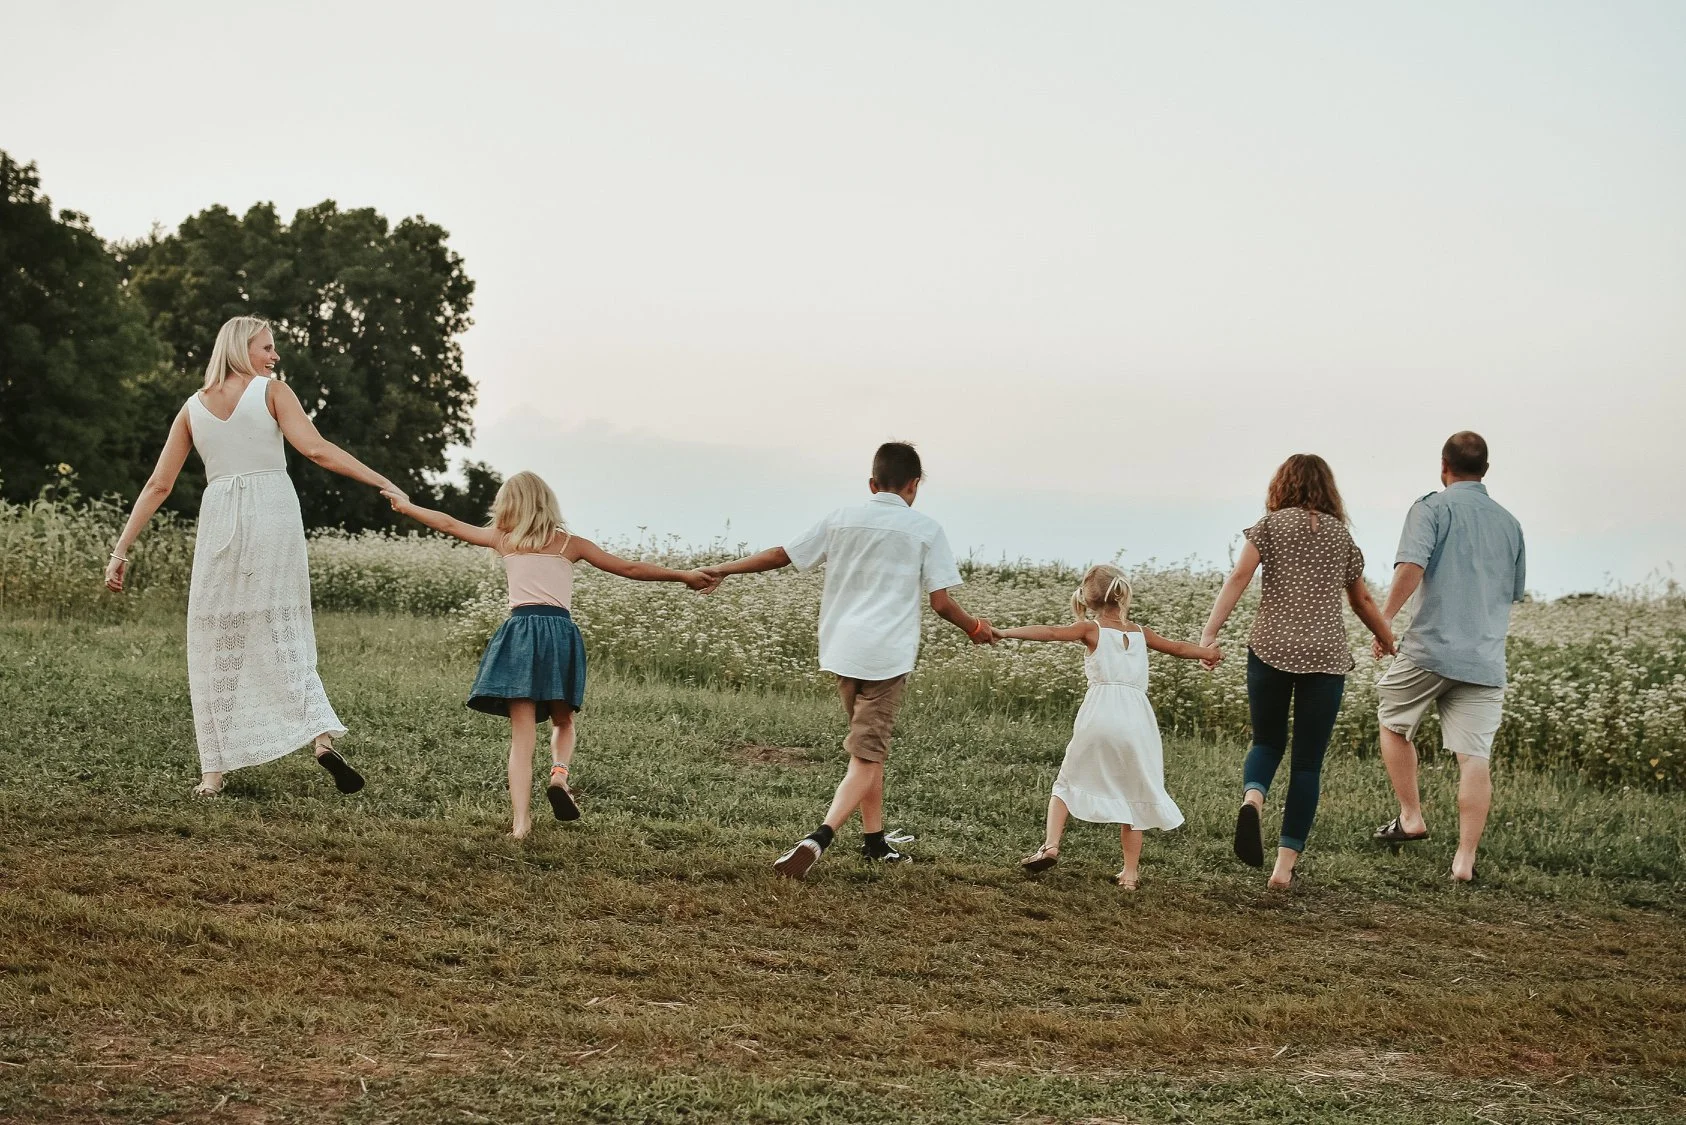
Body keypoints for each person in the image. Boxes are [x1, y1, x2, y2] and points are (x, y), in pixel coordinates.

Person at [105, 316, 403, 797]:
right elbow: (318, 450)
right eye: (267, 347)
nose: (274, 355)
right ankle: (321, 740)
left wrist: (121, 550)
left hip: (220, 514)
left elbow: (158, 485)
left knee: (215, 634)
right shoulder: (272, 391)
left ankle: (213, 774)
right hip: (271, 511)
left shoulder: (191, 408)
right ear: (241, 348)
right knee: (285, 623)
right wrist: (382, 480)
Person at [700, 442, 994, 878]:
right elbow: (941, 603)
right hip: (887, 657)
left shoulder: (840, 518)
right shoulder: (926, 529)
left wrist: (724, 568)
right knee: (867, 756)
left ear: (872, 483)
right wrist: (974, 628)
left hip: (841, 651)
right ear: (914, 486)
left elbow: (782, 555)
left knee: (866, 752)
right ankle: (817, 839)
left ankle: (874, 842)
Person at [383, 471, 717, 838]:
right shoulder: (570, 545)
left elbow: (447, 523)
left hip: (520, 633)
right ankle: (559, 774)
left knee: (521, 736)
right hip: (559, 635)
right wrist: (683, 575)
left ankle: (521, 824)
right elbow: (629, 569)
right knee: (563, 721)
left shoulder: (505, 540)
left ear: (510, 505)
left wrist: (407, 506)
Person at [1200, 454, 1395, 888]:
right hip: (1325, 655)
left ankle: (1253, 798)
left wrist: (1209, 634)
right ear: (1328, 489)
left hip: (1270, 645)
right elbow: (1361, 601)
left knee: (1267, 741)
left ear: (1282, 485)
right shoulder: (1341, 536)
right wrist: (1386, 636)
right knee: (1307, 763)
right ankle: (1283, 870)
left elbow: (1238, 578)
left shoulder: (1269, 526)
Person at [1002, 565, 1219, 890]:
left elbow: (1049, 632)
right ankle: (1130, 875)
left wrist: (1004, 633)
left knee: (1065, 782)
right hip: (1137, 720)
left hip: (1100, 714)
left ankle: (1050, 846)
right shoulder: (1140, 632)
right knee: (1135, 791)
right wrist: (1208, 652)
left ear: (1089, 600)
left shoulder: (1090, 629)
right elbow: (1178, 648)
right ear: (1121, 594)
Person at [1370, 432, 1526, 882]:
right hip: (1484, 659)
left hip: (1430, 649)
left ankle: (1411, 816)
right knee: (1474, 756)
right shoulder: (1510, 523)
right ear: (1486, 469)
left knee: (1393, 721)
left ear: (1444, 465)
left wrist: (1384, 623)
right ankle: (1464, 861)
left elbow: (1410, 569)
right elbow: (1511, 594)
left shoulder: (1431, 508)